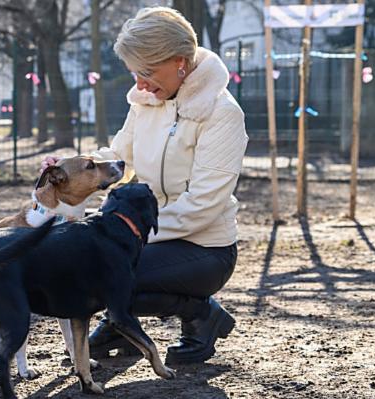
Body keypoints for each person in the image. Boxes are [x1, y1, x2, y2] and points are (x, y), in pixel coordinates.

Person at [43, 7, 247, 364]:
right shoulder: (147, 99)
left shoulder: (222, 114)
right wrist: (73, 167)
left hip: (205, 248)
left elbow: (202, 206)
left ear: (179, 63)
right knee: (89, 264)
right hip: (147, 234)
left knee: (104, 269)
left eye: (147, 72)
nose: (140, 84)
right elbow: (120, 159)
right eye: (135, 73)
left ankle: (201, 314)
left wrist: (124, 231)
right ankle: (120, 321)